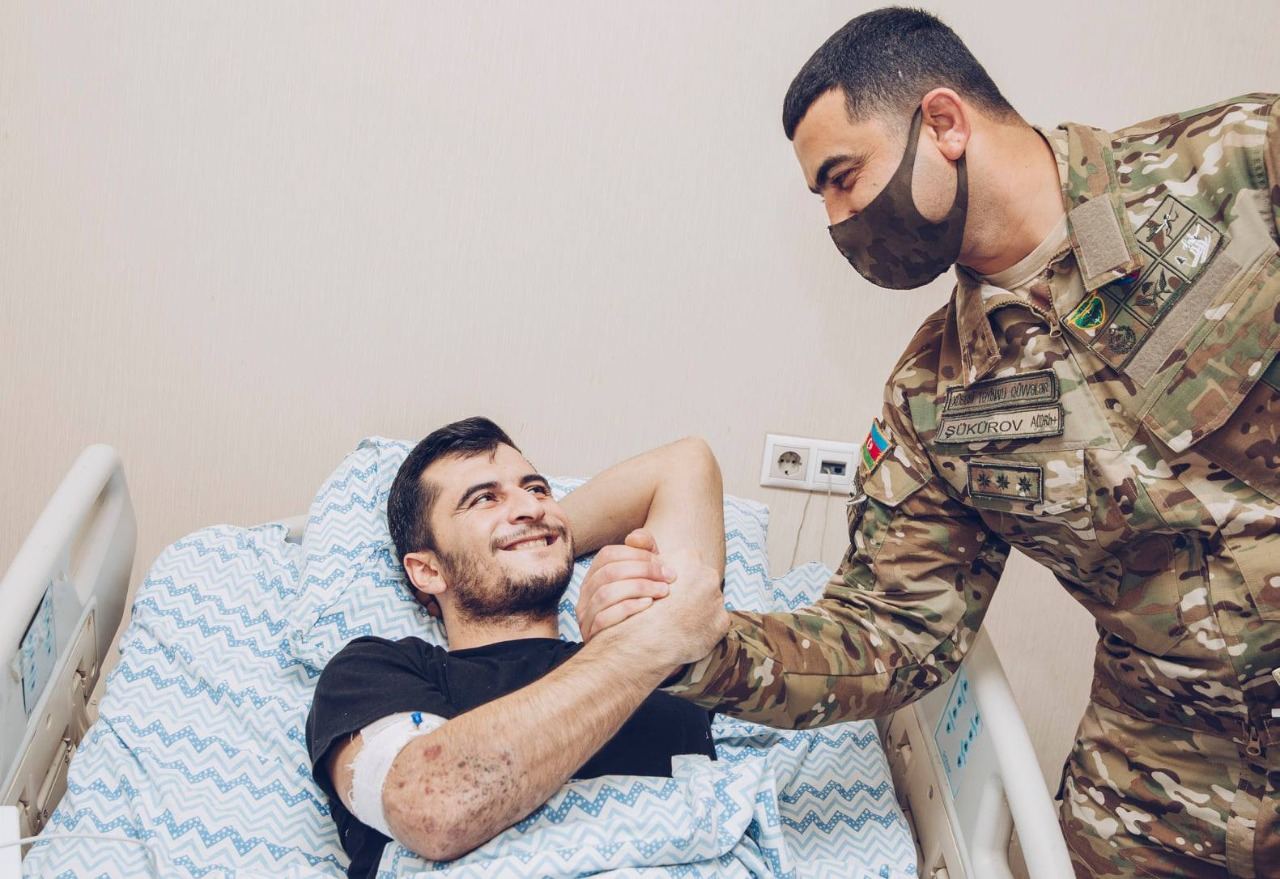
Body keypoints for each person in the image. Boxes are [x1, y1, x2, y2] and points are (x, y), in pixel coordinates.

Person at [577, 8, 1280, 877]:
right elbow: (888, 634)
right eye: (822, 198)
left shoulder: (1239, 169)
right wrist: (701, 646)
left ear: (944, 124)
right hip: (1167, 786)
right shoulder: (935, 399)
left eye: (843, 177)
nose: (839, 219)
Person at [304, 417, 728, 877]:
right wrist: (636, 650)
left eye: (538, 490)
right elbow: (432, 809)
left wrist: (538, 536)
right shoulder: (376, 670)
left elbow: (685, 463)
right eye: (484, 498)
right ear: (426, 570)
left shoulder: (656, 638)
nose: (530, 506)